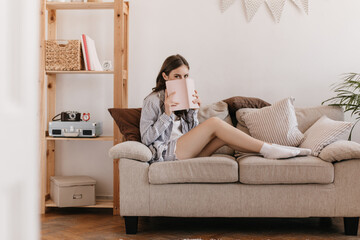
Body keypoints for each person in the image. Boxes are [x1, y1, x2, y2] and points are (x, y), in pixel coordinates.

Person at [140, 54, 311, 163]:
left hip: (188, 151)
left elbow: (190, 134)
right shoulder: (152, 101)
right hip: (167, 153)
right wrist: (166, 114)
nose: (182, 80)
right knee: (214, 123)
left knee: (223, 137)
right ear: (165, 76)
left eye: (185, 76)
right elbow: (146, 139)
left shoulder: (183, 97)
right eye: (177, 76)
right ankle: (271, 149)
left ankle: (274, 150)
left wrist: (193, 111)